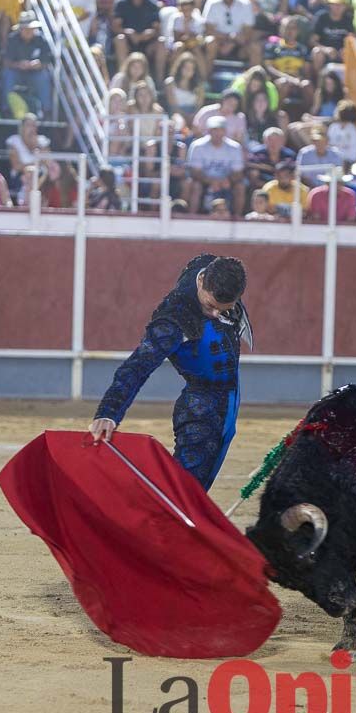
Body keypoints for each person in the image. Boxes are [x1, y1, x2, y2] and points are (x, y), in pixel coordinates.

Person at [89, 254, 251, 491]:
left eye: (224, 309)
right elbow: (136, 368)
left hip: (229, 402)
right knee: (183, 492)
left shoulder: (214, 269)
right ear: (200, 281)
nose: (216, 315)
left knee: (195, 490)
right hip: (201, 409)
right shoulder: (173, 321)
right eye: (210, 306)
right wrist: (108, 411)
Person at [186, 115, 245, 215]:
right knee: (195, 186)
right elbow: (194, 171)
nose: (218, 133)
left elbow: (238, 172)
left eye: (221, 130)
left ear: (225, 131)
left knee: (240, 187)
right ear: (208, 131)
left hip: (227, 181)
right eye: (214, 130)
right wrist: (211, 181)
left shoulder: (235, 147)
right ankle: (192, 216)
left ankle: (237, 218)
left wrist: (228, 180)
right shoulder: (197, 146)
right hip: (203, 181)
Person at [0, 11, 53, 118]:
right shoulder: (12, 39)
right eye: (25, 28)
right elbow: (6, 62)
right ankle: (6, 109)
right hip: (16, 71)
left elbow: (46, 62)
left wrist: (37, 64)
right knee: (7, 75)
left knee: (44, 76)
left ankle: (46, 110)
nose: (28, 31)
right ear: (20, 28)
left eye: (31, 28)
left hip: (35, 73)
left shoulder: (41, 39)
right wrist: (18, 64)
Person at [203, 0, 258, 68]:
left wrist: (233, 42)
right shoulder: (212, 3)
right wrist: (228, 37)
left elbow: (248, 31)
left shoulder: (245, 4)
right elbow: (208, 30)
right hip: (218, 42)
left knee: (255, 48)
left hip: (239, 43)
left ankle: (253, 80)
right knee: (210, 42)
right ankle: (205, 79)